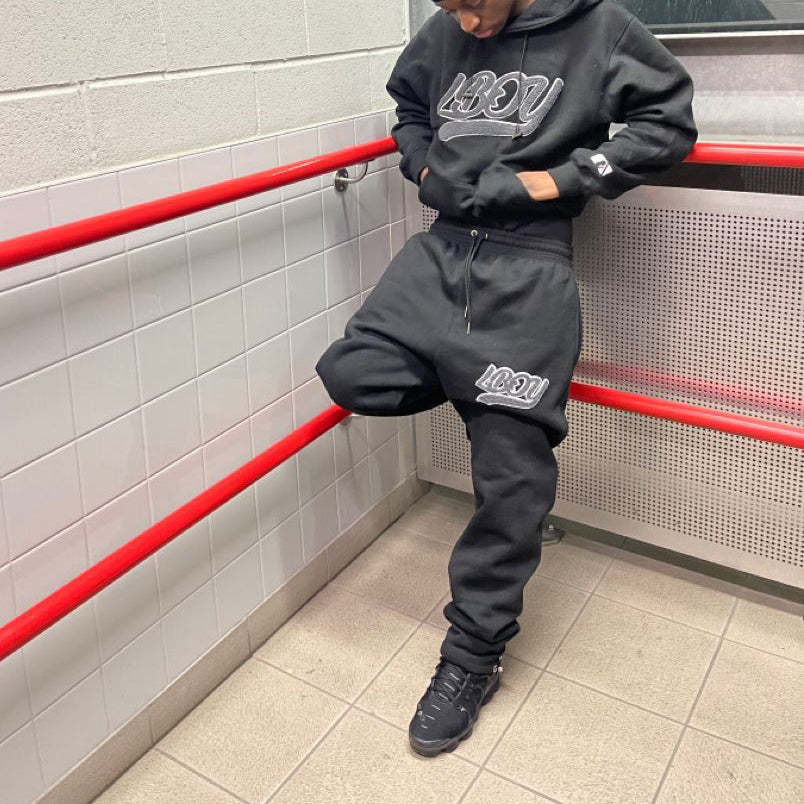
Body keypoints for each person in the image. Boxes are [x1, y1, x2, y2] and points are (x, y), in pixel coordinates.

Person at [315, 0, 697, 757]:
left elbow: (668, 127)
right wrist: (423, 165)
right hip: (439, 251)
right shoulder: (444, 32)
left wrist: (554, 183)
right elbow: (408, 106)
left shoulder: (602, 29)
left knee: (512, 479)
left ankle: (472, 656)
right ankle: (487, 392)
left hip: (531, 262)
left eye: (474, 2)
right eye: (447, 5)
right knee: (351, 373)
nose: (464, 21)